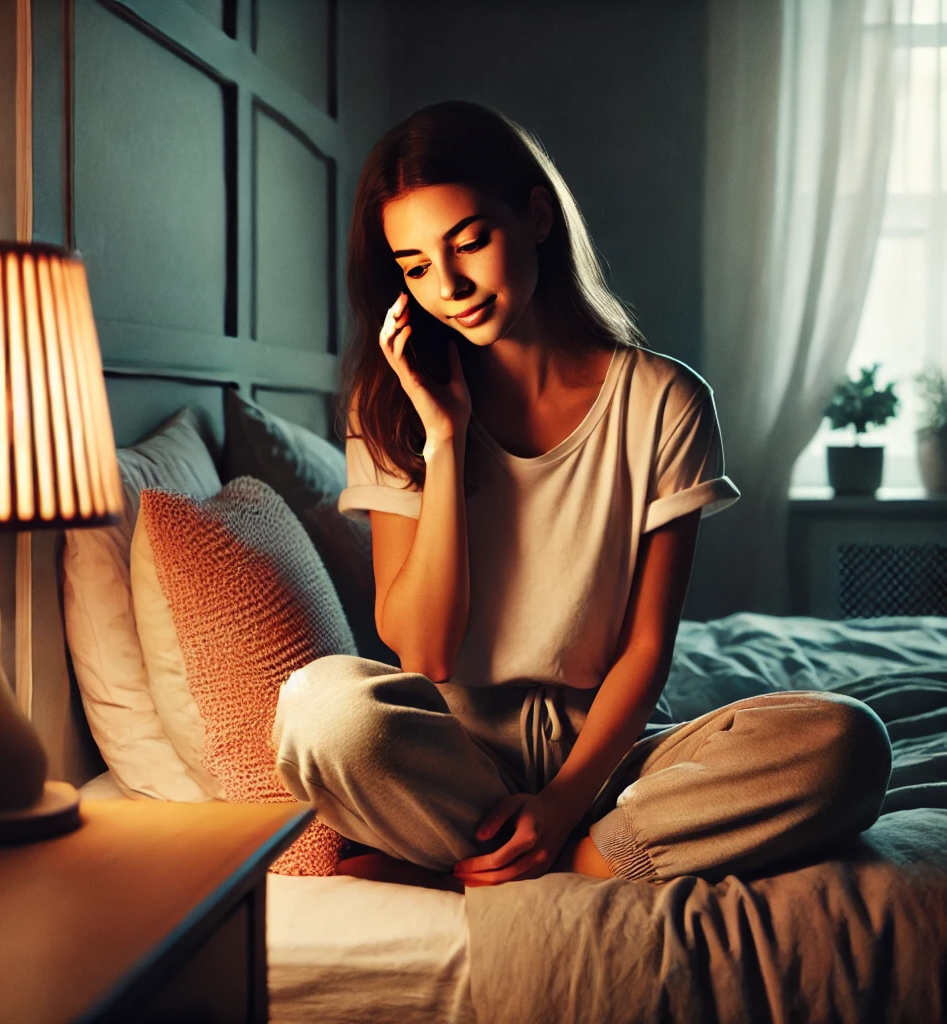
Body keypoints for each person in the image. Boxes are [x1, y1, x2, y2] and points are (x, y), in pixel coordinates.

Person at [272, 100, 892, 891]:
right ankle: (538, 847)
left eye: (469, 241)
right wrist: (446, 438)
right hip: (449, 752)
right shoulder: (392, 405)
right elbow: (423, 652)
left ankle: (565, 854)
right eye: (416, 265)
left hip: (603, 760)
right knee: (318, 711)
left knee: (849, 744)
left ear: (536, 217)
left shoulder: (665, 401)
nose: (449, 285)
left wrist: (564, 805)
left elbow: (644, 650)